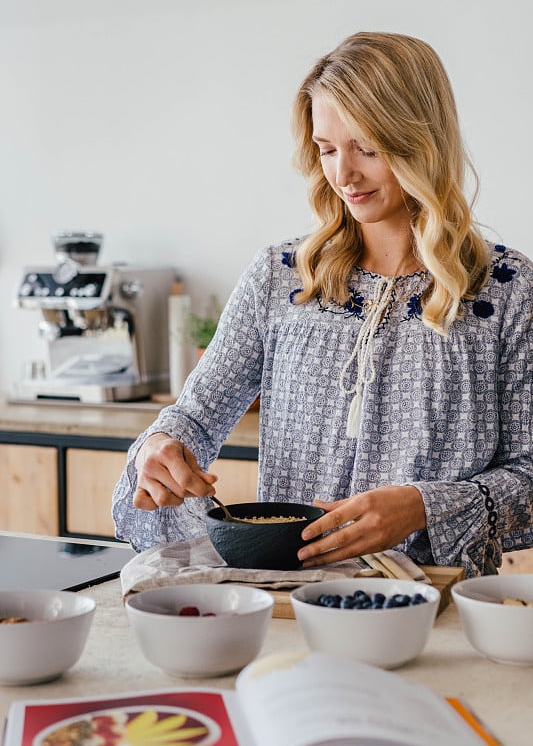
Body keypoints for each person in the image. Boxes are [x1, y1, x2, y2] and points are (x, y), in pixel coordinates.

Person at [112, 31, 533, 577]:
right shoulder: (281, 277)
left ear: (421, 142)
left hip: (434, 606)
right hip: (288, 601)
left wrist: (422, 507)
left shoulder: (505, 289)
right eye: (327, 149)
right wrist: (159, 449)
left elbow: (528, 475)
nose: (343, 174)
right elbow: (193, 417)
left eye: (368, 147)